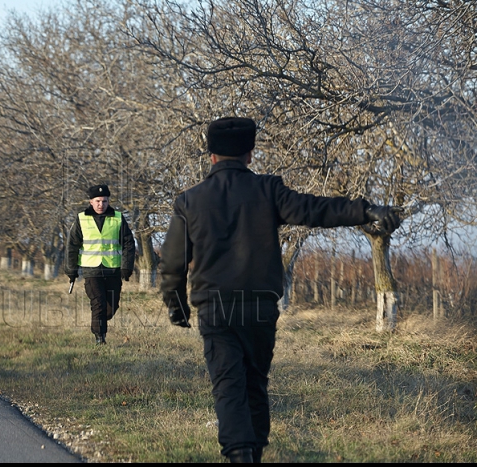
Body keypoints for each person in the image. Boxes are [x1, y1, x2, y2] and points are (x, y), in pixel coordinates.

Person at [158, 117, 402, 463]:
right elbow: (315, 209)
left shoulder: (189, 201)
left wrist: (177, 306)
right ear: (250, 154)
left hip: (216, 309)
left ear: (210, 155)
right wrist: (366, 210)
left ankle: (240, 455)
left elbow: (171, 264)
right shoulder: (268, 190)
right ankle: (252, 454)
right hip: (261, 308)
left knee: (229, 386)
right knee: (255, 385)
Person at [65, 184, 136, 345]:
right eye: (97, 201)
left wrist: (127, 267)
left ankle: (100, 325)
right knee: (98, 303)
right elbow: (72, 246)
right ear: (91, 201)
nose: (100, 204)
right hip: (91, 271)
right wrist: (71, 269)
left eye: (104, 201)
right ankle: (99, 338)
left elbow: (128, 243)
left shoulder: (118, 217)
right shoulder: (81, 218)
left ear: (108, 201)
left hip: (113, 270)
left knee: (111, 308)